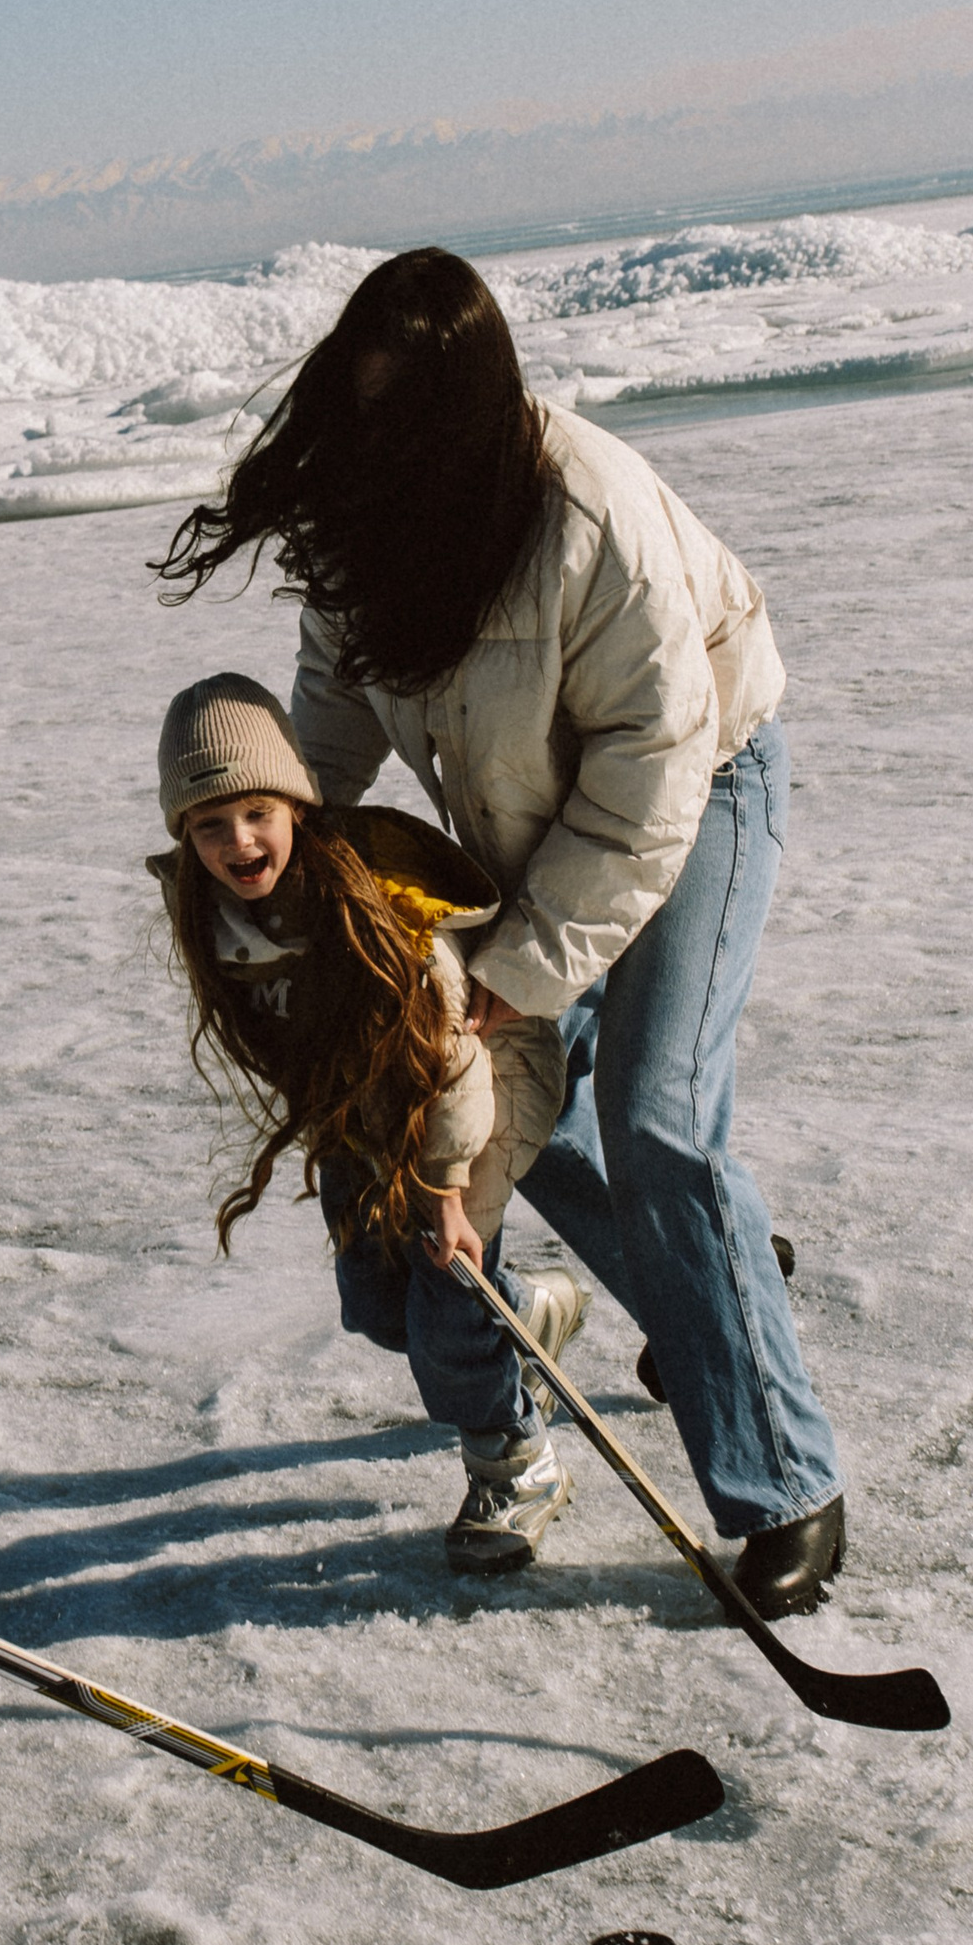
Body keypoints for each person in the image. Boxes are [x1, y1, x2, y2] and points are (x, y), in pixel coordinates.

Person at [155, 248, 848, 1621]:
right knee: (520, 1125)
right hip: (531, 811)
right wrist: (274, 869)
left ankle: (783, 1481)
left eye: (403, 421)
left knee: (657, 1121)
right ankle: (709, 1290)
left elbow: (653, 775)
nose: (374, 449)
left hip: (701, 781)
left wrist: (514, 975)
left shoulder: (591, 518)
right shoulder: (366, 531)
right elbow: (330, 743)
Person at [151, 672, 585, 1569]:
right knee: (377, 1307)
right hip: (366, 1104)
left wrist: (447, 1193)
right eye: (208, 824)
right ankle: (525, 1313)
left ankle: (515, 1460)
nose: (238, 841)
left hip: (477, 1079)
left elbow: (456, 1061)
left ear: (299, 809)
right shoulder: (215, 913)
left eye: (257, 812)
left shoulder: (372, 913)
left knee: (444, 1301)